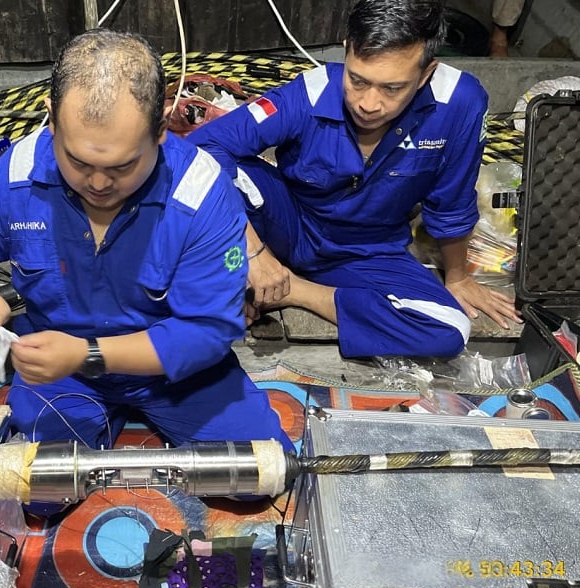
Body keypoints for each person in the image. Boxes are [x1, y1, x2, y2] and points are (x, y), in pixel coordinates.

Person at [0, 29, 293, 513]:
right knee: (37, 493)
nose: (100, 183)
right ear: (50, 118)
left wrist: (86, 354)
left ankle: (115, 424)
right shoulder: (16, 172)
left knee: (260, 476)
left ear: (161, 131)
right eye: (78, 161)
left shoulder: (201, 192)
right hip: (61, 369)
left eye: (124, 166)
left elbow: (207, 332)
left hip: (173, 374)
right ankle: (94, 421)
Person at [189, 0, 521, 360]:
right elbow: (201, 147)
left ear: (427, 74)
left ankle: (290, 290)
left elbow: (452, 202)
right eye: (357, 80)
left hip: (368, 250)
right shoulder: (309, 92)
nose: (368, 103)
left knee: (449, 328)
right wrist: (252, 252)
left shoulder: (460, 102)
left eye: (392, 88)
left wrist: (457, 278)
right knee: (207, 175)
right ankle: (248, 277)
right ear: (347, 51)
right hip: (287, 222)